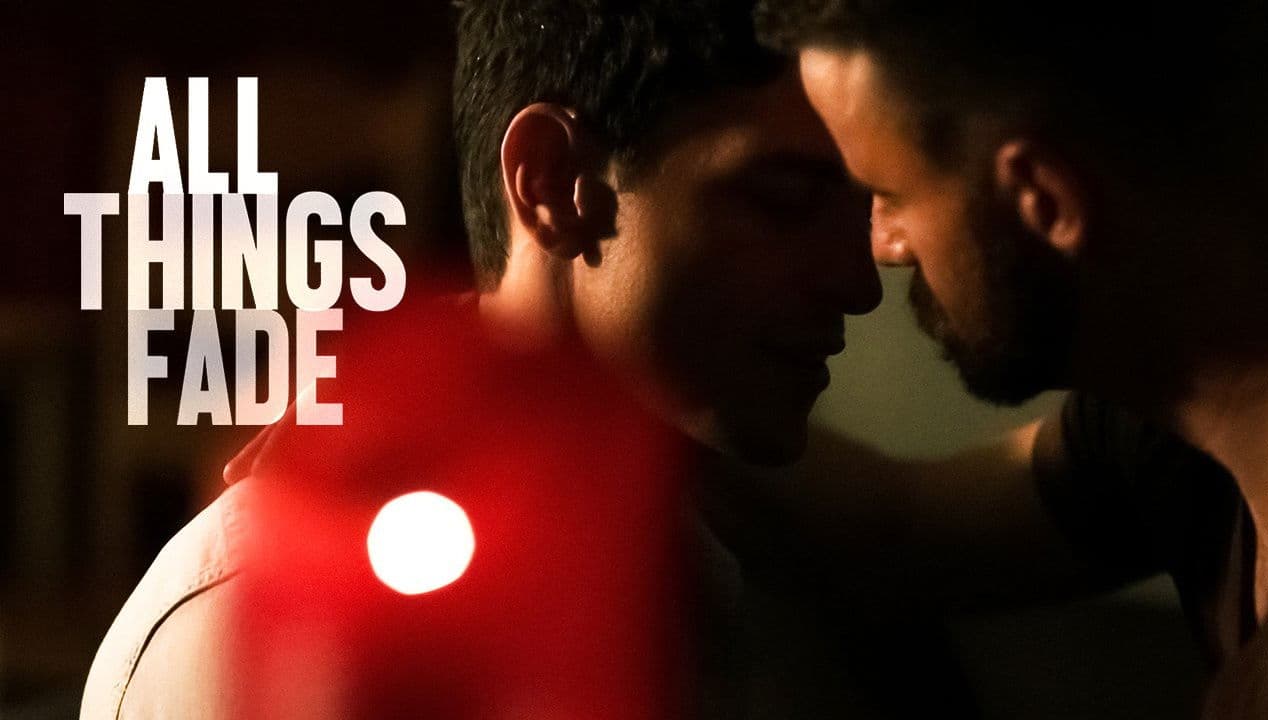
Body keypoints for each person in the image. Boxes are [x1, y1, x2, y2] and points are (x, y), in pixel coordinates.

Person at [83, 1, 916, 717]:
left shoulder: (769, 560)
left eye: (869, 203)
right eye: (784, 201)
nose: (857, 283)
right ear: (553, 183)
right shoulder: (262, 624)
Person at [742, 1, 1268, 716]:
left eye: (887, 194)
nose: (884, 248)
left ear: (1044, 198)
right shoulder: (1174, 432)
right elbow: (898, 526)